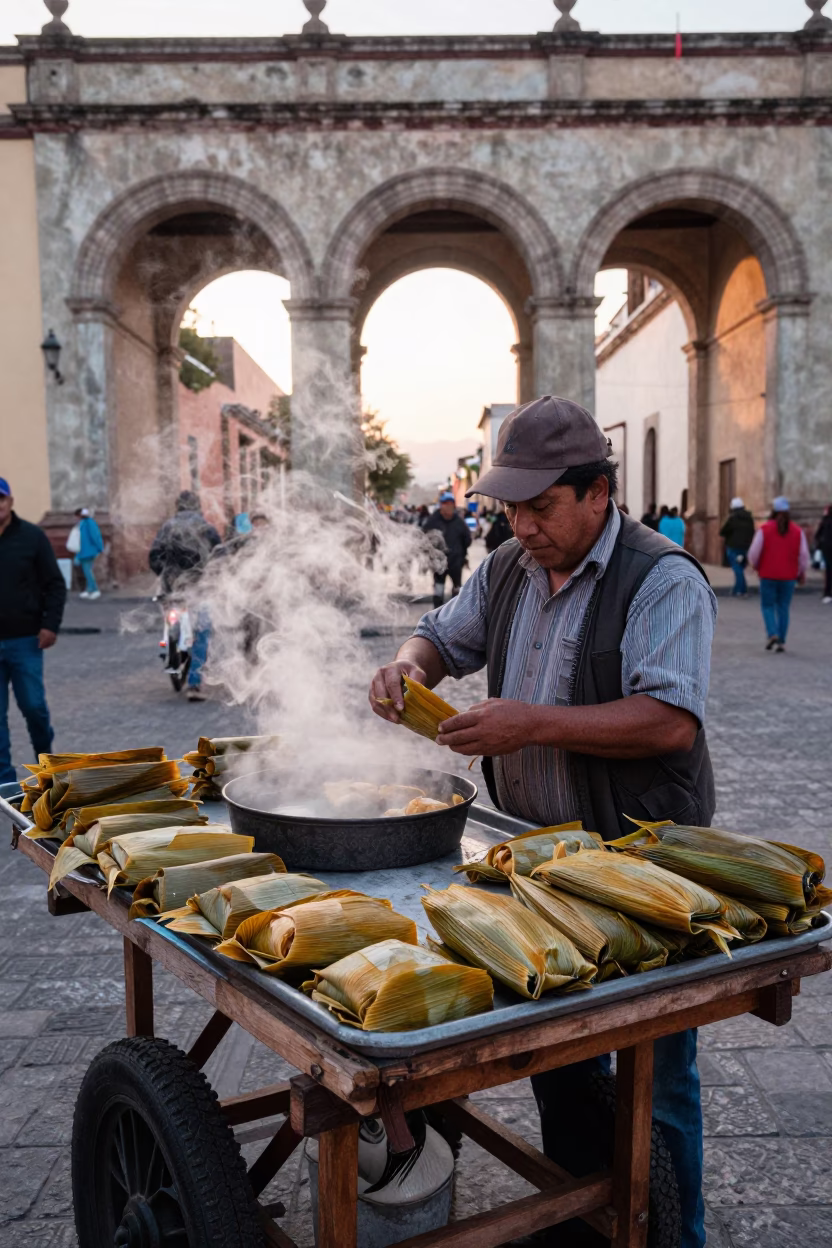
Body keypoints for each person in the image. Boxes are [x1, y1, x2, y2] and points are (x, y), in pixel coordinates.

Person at [370, 397, 717, 1248]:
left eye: (541, 506)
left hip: (640, 861)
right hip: (529, 857)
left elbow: (670, 719)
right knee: (562, 1057)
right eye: (510, 508)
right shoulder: (506, 569)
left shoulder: (662, 578)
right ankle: (585, 1210)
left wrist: (531, 722)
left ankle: (675, 1231)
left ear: (598, 493)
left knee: (657, 1076)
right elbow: (440, 641)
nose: (522, 525)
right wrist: (404, 666)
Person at [0, 477, 66, 783]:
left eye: (0, 499)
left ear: (10, 501)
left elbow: (54, 584)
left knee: (34, 708)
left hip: (25, 640)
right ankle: (5, 782)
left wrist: (49, 625)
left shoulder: (32, 537)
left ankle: (45, 765)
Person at [148, 490, 221, 701]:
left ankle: (171, 646)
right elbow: (219, 555)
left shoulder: (167, 527)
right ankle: (195, 684)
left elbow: (154, 555)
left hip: (173, 589)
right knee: (202, 632)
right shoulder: (206, 528)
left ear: (178, 506)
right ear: (197, 506)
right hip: (201, 587)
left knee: (173, 623)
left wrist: (165, 575)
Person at [747, 496, 809, 652]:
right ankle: (781, 640)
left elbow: (754, 553)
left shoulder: (764, 529)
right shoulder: (797, 531)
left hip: (768, 574)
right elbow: (803, 556)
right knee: (783, 608)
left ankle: (772, 633)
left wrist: (755, 565)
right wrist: (801, 572)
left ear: (773, 512)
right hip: (788, 576)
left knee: (767, 606)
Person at [423, 491, 472, 609]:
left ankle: (455, 614)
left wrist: (461, 554)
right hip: (438, 563)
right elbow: (424, 539)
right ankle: (437, 612)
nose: (448, 506)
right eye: (446, 503)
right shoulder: (433, 521)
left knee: (457, 589)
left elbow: (467, 539)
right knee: (438, 588)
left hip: (455, 562)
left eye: (451, 503)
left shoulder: (459, 522)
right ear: (441, 505)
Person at [718, 496, 755, 597]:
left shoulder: (732, 518)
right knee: (740, 568)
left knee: (737, 568)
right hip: (745, 547)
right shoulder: (749, 518)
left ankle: (742, 590)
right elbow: (752, 532)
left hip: (733, 547)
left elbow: (722, 531)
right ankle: (736, 588)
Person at [72, 507, 104, 600]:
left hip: (88, 551)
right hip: (84, 551)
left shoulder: (88, 523)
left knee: (87, 571)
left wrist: (100, 548)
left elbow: (95, 536)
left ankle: (94, 590)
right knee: (86, 570)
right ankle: (89, 589)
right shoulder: (85, 523)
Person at [815, 505, 832, 604]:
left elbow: (818, 535)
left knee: (829, 572)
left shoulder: (825, 521)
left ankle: (828, 593)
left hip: (827, 549)